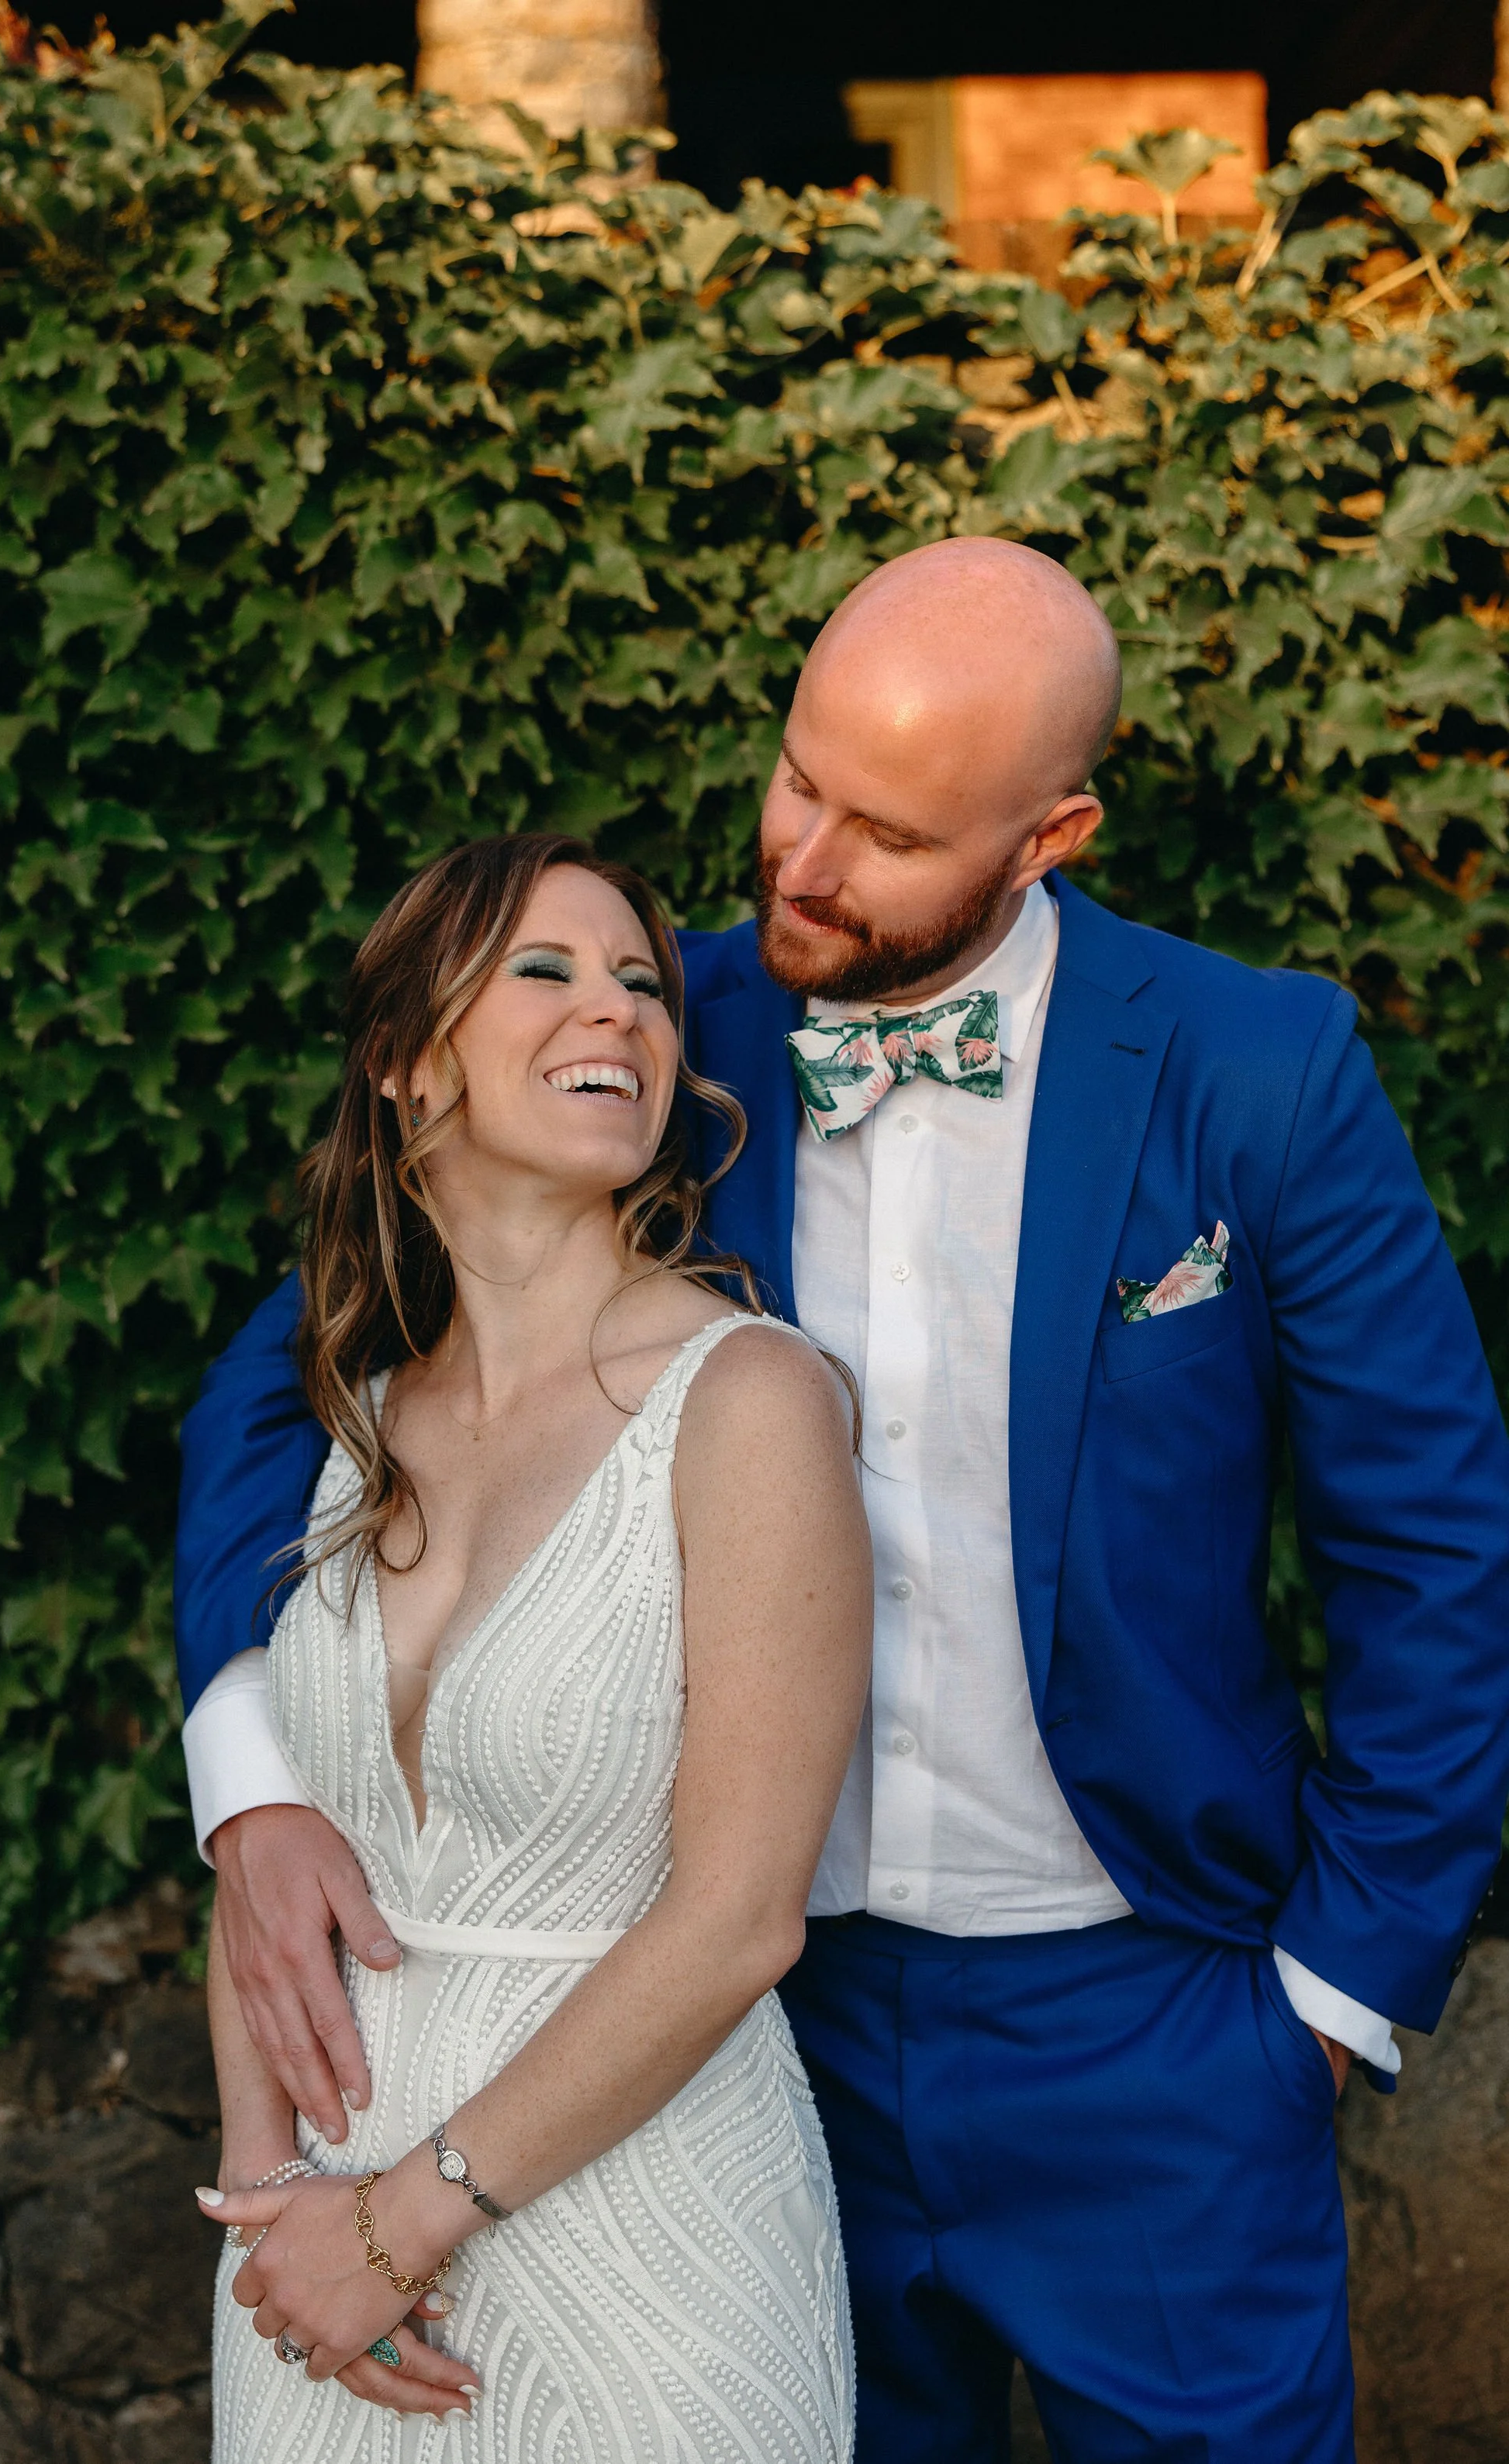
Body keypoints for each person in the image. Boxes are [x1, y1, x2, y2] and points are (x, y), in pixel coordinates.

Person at [178, 539, 1509, 2463]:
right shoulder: (646, 1032)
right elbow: (278, 1383)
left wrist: (1325, 1987)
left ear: (1049, 832)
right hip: (728, 2050)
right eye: (799, 777)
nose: (801, 864)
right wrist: (255, 1779)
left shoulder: (1254, 1064)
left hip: (1153, 2010)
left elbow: (1432, 1538)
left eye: (886, 832)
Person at [192, 835, 870, 2460]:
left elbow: (737, 1920)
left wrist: (398, 2226)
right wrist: (271, 2196)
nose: (620, 1012)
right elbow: (275, 1867)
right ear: (409, 1061)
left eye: (642, 981)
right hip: (323, 2265)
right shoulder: (357, 1404)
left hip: (644, 2230)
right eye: (548, 972)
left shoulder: (751, 1399)